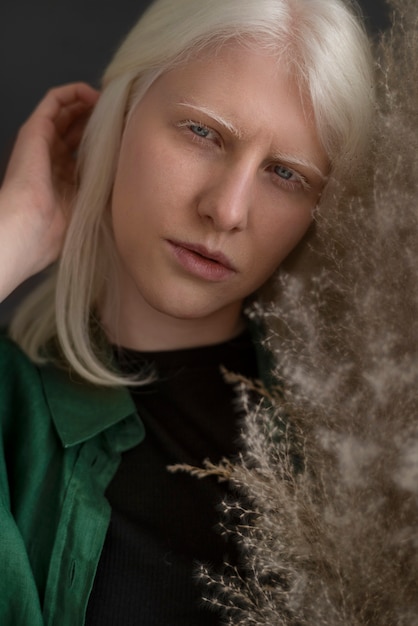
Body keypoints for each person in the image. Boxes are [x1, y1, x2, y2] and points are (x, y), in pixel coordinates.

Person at [0, 0, 374, 624]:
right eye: (203, 132)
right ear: (117, 117)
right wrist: (14, 233)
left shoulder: (356, 444)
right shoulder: (10, 409)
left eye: (285, 174)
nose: (226, 210)